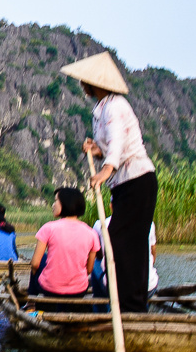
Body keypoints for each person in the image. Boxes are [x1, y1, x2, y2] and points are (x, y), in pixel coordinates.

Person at [60, 51, 159, 313]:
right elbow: (110, 147)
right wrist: (96, 150)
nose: (82, 85)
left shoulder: (115, 106)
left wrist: (105, 170)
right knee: (122, 242)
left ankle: (131, 307)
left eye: (84, 81)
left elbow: (117, 144)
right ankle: (130, 305)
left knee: (125, 242)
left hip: (137, 180)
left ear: (94, 83)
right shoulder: (101, 109)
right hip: (124, 184)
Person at [30, 187, 100, 309]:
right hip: (79, 290)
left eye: (56, 200)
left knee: (40, 260)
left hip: (50, 289)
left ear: (66, 203)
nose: (53, 205)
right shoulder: (91, 233)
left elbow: (35, 264)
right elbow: (89, 269)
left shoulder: (48, 228)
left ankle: (30, 300)